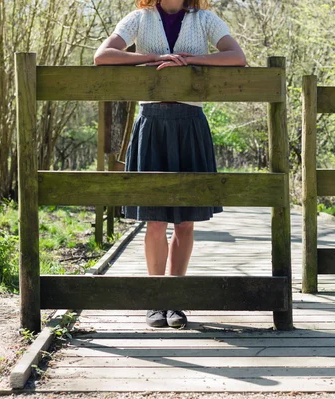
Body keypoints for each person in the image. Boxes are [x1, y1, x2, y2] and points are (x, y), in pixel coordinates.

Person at [93, 0, 246, 328]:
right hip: (152, 125)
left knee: (186, 221)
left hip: (190, 124)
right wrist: (154, 58)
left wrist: (190, 60)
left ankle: (175, 300)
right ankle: (155, 299)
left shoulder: (204, 19)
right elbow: (102, 55)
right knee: (155, 220)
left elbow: (237, 57)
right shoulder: (139, 18)